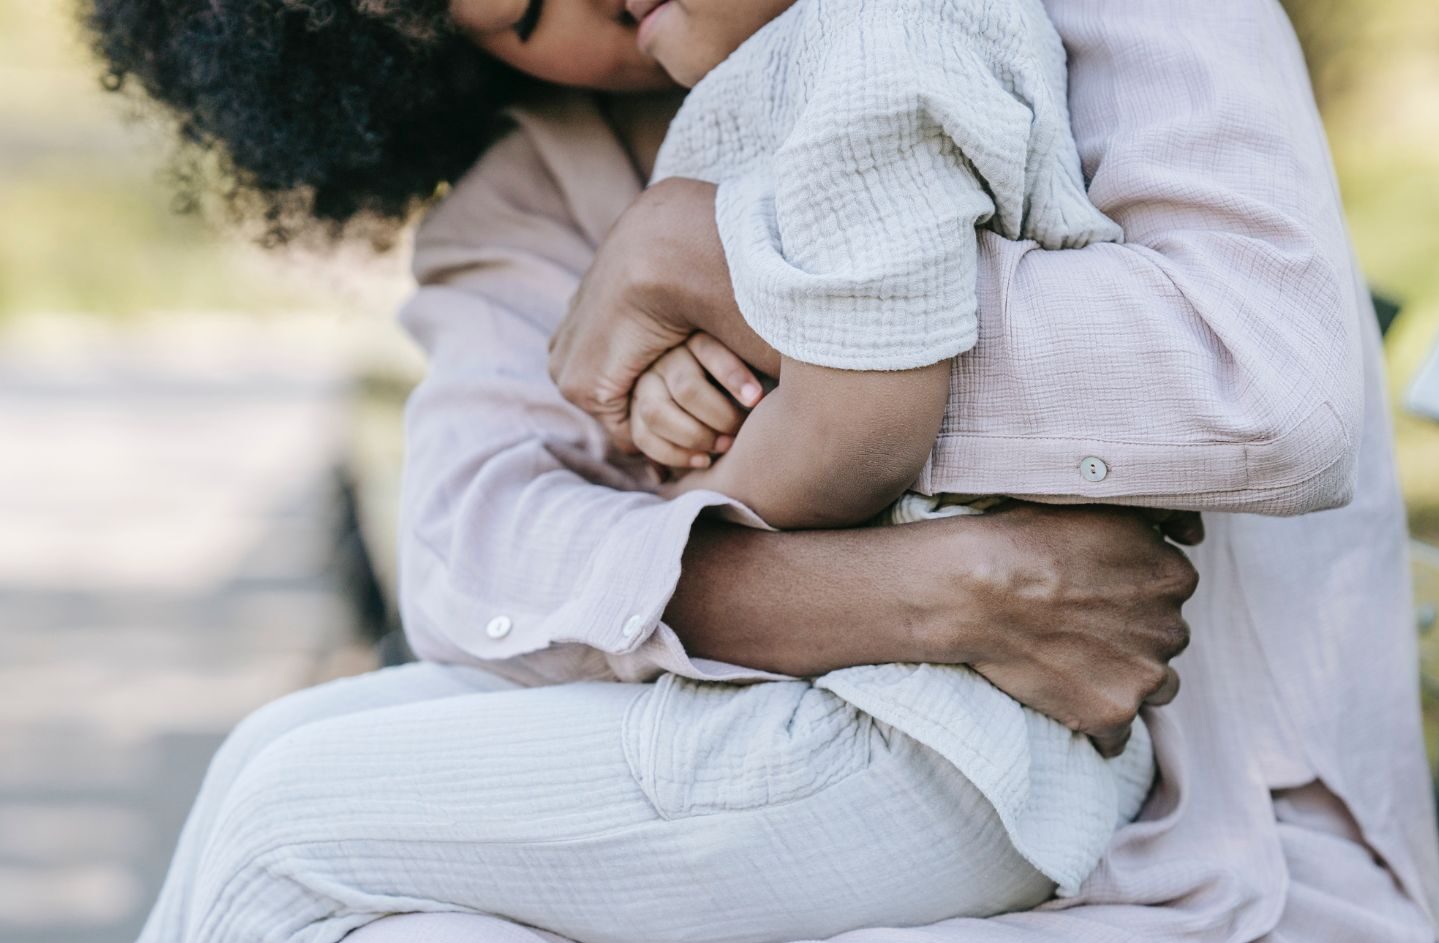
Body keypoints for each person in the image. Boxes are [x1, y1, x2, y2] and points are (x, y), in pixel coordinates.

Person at [83, 0, 1439, 941]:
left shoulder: (929, 39)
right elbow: (475, 553)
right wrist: (925, 592)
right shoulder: (538, 177)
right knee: (340, 841)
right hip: (871, 770)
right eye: (524, 10)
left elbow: (1276, 392)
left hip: (1217, 857)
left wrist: (716, 271)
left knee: (286, 817)